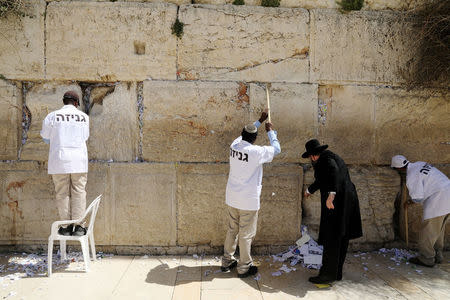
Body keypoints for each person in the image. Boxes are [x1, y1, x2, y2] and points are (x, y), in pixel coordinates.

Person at [221, 109, 281, 278]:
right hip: (248, 200)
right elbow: (276, 149)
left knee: (232, 230)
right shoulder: (255, 152)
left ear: (242, 135)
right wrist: (271, 132)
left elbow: (244, 134)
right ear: (255, 139)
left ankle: (227, 261)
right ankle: (244, 267)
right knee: (246, 234)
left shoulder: (234, 145)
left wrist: (259, 121)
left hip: (232, 197)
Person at [303, 139, 362, 284]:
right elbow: (324, 178)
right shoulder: (331, 157)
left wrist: (331, 195)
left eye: (311, 157)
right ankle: (336, 273)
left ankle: (327, 275)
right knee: (341, 238)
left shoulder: (326, 160)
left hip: (337, 204)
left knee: (332, 237)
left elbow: (334, 173)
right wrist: (310, 190)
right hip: (348, 202)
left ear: (313, 156)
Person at [40, 91, 90, 236]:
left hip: (59, 161)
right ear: (76, 103)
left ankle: (66, 227)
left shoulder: (52, 116)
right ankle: (79, 227)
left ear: (64, 101)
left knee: (62, 193)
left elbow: (45, 137)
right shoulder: (84, 117)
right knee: (79, 191)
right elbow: (85, 136)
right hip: (78, 161)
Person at [391, 155, 450, 267]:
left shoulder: (411, 176)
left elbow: (417, 197)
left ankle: (427, 258)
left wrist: (409, 202)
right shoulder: (419, 164)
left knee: (427, 231)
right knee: (438, 229)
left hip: (439, 198)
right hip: (448, 191)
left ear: (399, 169)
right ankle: (438, 254)